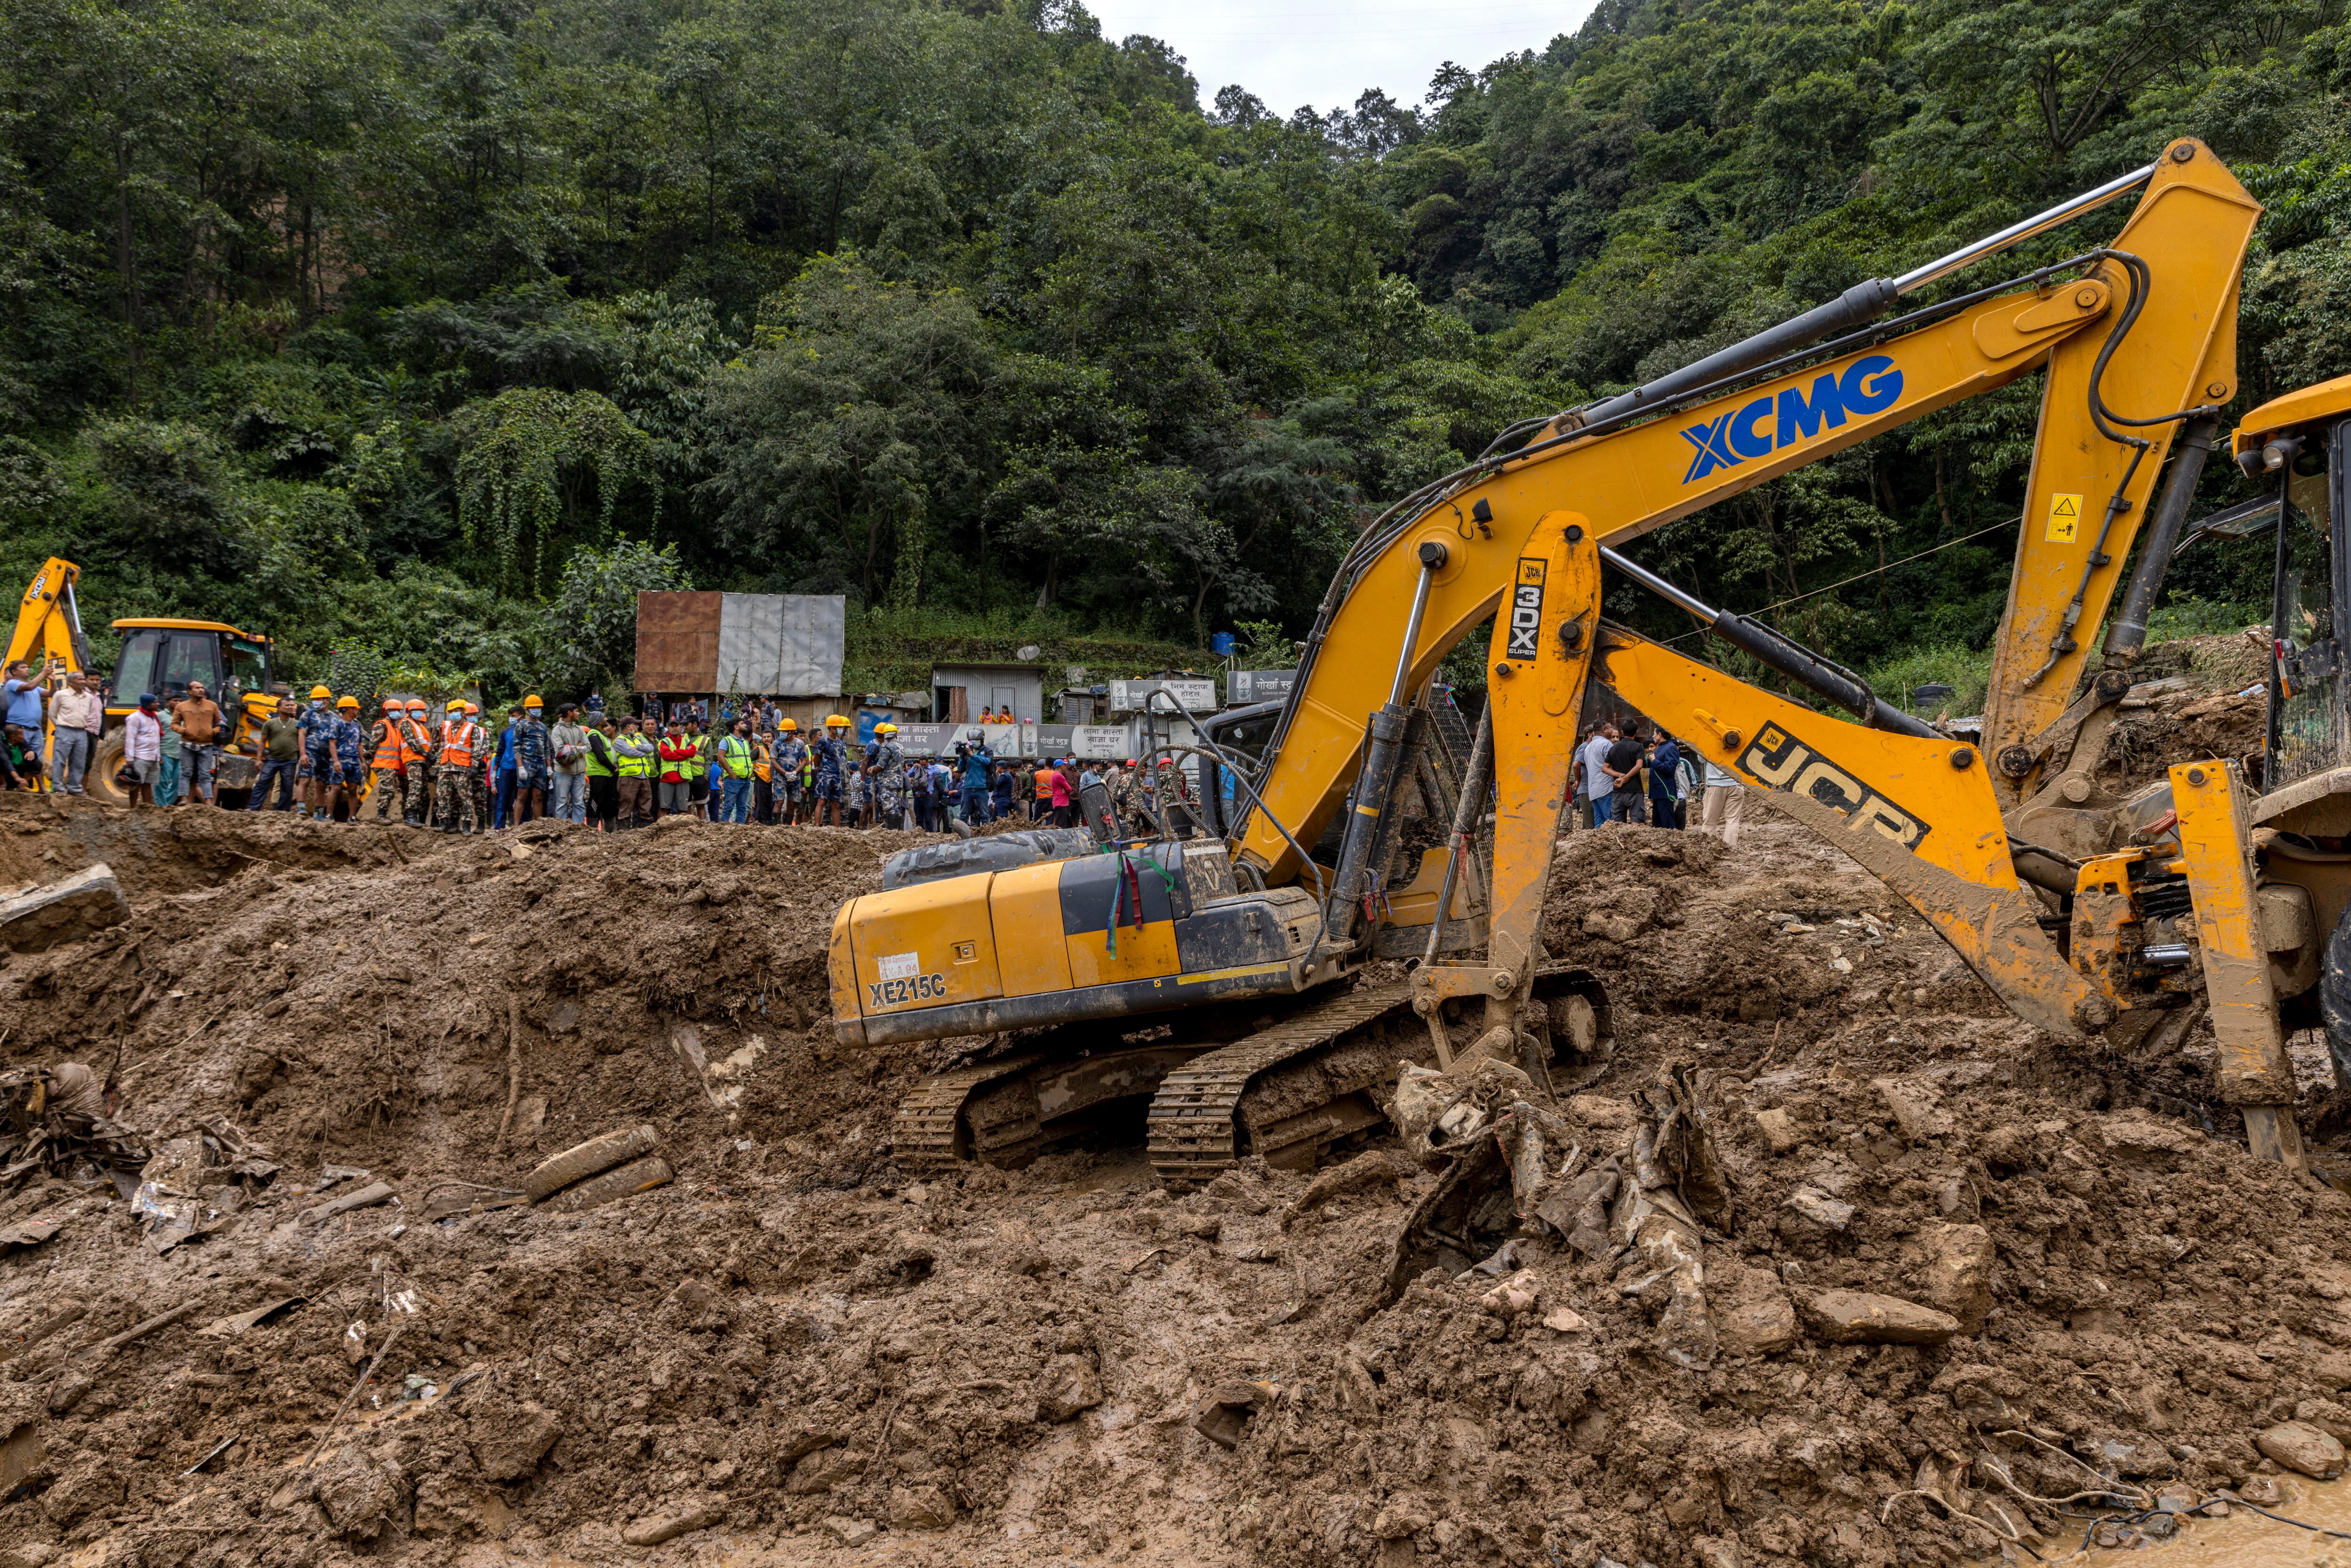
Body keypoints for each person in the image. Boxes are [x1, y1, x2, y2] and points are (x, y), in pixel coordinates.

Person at [170, 677, 225, 806]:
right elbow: (174, 724)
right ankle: (184, 799)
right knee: (186, 773)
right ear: (190, 691)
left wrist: (214, 732)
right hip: (187, 744)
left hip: (207, 745)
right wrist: (184, 731)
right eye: (197, 688)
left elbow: (219, 722)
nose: (201, 690)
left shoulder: (212, 705)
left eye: (202, 687)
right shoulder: (182, 706)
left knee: (205, 774)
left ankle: (208, 801)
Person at [1, 657, 53, 793]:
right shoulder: (12, 683)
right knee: (16, 757)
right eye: (23, 667)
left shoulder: (35, 688)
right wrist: (43, 673)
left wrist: (52, 681)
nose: (27, 669)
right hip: (19, 729)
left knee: (36, 759)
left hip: (36, 728)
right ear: (14, 672)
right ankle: (7, 784)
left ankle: (29, 786)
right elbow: (29, 687)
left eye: (28, 667)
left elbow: (51, 693)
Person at [431, 700, 483, 833]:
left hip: (462, 768)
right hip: (445, 767)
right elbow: (443, 748)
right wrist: (437, 765)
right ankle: (444, 823)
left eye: (457, 711)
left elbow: (476, 748)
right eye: (452, 711)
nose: (454, 714)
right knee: (442, 796)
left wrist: (474, 766)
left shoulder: (472, 728)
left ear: (463, 712)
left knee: (465, 797)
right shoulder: (447, 728)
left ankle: (466, 826)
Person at [51, 671, 102, 796]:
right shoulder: (61, 695)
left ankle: (74, 788)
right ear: (70, 682)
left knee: (79, 762)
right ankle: (58, 788)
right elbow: (52, 714)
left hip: (82, 731)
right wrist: (60, 727)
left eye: (84, 679)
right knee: (60, 760)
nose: (83, 682)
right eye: (79, 679)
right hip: (64, 730)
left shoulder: (89, 697)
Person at [248, 696, 301, 812]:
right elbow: (262, 742)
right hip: (272, 759)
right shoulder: (270, 723)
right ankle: (253, 808)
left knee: (287, 786)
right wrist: (259, 759)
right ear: (279, 708)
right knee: (262, 783)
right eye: (288, 705)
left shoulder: (298, 724)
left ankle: (283, 811)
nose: (291, 707)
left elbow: (302, 741)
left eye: (292, 705)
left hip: (290, 760)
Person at [366, 698, 408, 823]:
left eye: (397, 710)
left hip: (391, 764)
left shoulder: (395, 728)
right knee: (387, 789)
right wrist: (371, 757)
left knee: (390, 790)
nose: (395, 712)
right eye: (392, 710)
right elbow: (373, 743)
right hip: (384, 763)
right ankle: (381, 816)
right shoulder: (382, 725)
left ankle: (384, 815)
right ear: (386, 711)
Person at [514, 695, 552, 826]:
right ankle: (516, 826)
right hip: (526, 763)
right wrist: (520, 767)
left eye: (538, 708)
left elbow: (547, 748)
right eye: (534, 708)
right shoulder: (521, 725)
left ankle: (538, 825)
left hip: (541, 764)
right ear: (528, 709)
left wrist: (549, 766)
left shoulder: (543, 727)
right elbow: (516, 747)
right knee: (522, 796)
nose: (537, 710)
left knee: (538, 796)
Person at [550, 703, 590, 824]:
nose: (579, 713)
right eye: (577, 711)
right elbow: (561, 752)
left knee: (579, 803)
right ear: (570, 713)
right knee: (562, 802)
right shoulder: (557, 730)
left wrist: (573, 749)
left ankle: (579, 829)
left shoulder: (579, 729)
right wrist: (578, 748)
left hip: (580, 772)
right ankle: (561, 829)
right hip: (563, 773)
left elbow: (588, 747)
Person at [613, 717, 657, 828]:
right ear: (629, 726)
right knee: (626, 805)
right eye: (636, 725)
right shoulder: (619, 740)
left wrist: (638, 747)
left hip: (644, 776)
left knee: (646, 804)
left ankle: (645, 829)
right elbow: (631, 752)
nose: (638, 727)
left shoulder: (637, 739)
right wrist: (643, 752)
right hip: (629, 777)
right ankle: (624, 831)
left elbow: (651, 747)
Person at [122, 692, 163, 808]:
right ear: (147, 704)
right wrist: (130, 759)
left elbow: (156, 738)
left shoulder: (154, 717)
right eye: (155, 702)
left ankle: (147, 809)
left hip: (153, 757)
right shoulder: (135, 718)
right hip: (141, 756)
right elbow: (130, 738)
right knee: (136, 784)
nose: (158, 704)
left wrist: (158, 755)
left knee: (148, 784)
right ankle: (133, 808)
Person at [399, 700, 436, 827]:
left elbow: (427, 745)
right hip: (413, 759)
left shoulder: (421, 726)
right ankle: (410, 816)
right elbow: (413, 743)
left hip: (423, 761)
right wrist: (428, 755)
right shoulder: (405, 723)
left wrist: (429, 757)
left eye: (421, 710)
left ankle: (420, 818)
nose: (419, 712)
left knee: (424, 792)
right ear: (409, 711)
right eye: (416, 710)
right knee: (415, 787)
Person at [1699, 756, 1748, 849]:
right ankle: (1731, 849)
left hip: (1715, 786)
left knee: (1709, 823)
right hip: (1736, 785)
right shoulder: (1739, 746)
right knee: (1732, 821)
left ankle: (1708, 850)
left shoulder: (1710, 746)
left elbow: (1701, 759)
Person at [811, 716, 851, 826]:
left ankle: (836, 829)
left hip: (837, 776)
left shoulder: (840, 743)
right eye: (839, 727)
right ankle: (817, 826)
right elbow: (817, 756)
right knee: (822, 801)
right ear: (832, 728)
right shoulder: (823, 740)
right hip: (825, 774)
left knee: (836, 804)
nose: (841, 730)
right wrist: (818, 767)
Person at [1602, 725, 1645, 826]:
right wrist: (1625, 778)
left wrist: (1620, 776)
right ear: (1637, 732)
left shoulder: (1614, 748)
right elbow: (1639, 766)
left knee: (1618, 825)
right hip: (1635, 791)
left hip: (1618, 791)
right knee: (1637, 824)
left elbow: (1605, 768)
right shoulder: (1639, 747)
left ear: (1622, 732)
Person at [867, 723, 907, 829]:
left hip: (888, 782)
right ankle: (896, 831)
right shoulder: (901, 747)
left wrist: (873, 769)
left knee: (890, 808)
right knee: (896, 807)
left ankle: (891, 832)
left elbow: (880, 766)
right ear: (896, 734)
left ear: (885, 736)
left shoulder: (887, 748)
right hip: (898, 782)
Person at [584, 717, 619, 832]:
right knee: (596, 802)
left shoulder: (600, 735)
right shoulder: (594, 735)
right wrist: (613, 768)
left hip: (606, 774)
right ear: (599, 721)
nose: (606, 720)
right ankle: (592, 831)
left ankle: (610, 832)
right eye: (603, 718)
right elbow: (601, 756)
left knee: (609, 804)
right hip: (598, 774)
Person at [1578, 724, 1617, 828]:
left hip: (1593, 790)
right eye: (1610, 728)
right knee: (1611, 823)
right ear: (1604, 729)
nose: (1612, 731)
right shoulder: (1606, 744)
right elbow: (1613, 764)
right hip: (1606, 789)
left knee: (1599, 823)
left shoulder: (1589, 747)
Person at [717, 718, 754, 823]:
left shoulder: (745, 742)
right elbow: (720, 757)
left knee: (742, 807)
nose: (745, 725)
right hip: (733, 780)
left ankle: (740, 828)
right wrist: (731, 774)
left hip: (745, 779)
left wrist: (750, 773)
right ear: (736, 727)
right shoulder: (726, 741)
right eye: (742, 723)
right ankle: (723, 827)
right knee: (729, 806)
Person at [656, 721, 694, 819]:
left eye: (676, 726)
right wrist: (684, 754)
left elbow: (692, 753)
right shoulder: (664, 742)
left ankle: (680, 828)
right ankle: (660, 827)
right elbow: (666, 755)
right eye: (672, 726)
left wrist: (677, 752)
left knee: (683, 809)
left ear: (680, 727)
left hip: (683, 778)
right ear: (668, 728)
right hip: (667, 778)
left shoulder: (687, 741)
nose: (674, 728)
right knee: (664, 808)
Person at [1647, 731, 1682, 831]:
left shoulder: (1671, 748)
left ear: (1660, 735)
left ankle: (1672, 840)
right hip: (1658, 792)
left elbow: (1669, 768)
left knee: (1667, 824)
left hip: (1665, 792)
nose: (1653, 736)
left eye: (1654, 734)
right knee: (1657, 824)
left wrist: (1654, 761)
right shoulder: (1661, 747)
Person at [492, 707, 521, 829]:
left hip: (521, 769)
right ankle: (499, 827)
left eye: (514, 716)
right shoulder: (506, 732)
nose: (511, 718)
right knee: (503, 799)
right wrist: (494, 771)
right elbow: (500, 751)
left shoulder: (526, 731)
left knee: (522, 799)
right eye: (510, 716)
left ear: (522, 716)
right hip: (506, 768)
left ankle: (522, 825)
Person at [773, 719, 807, 824]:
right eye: (781, 731)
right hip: (780, 777)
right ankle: (776, 826)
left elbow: (804, 761)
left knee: (792, 804)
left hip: (795, 777)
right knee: (779, 802)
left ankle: (787, 826)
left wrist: (795, 773)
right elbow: (773, 761)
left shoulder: (800, 744)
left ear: (791, 732)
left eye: (784, 731)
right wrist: (785, 773)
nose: (782, 733)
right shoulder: (777, 743)